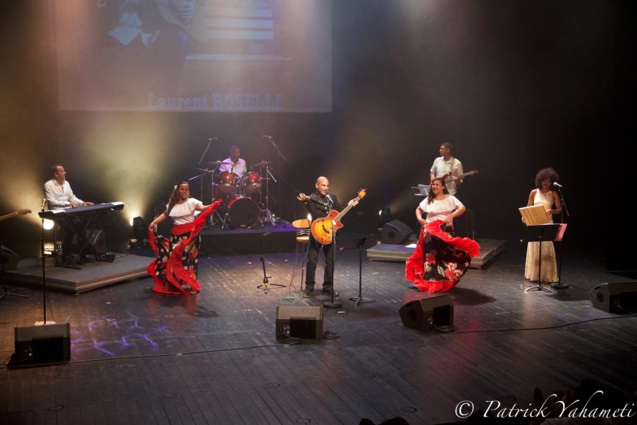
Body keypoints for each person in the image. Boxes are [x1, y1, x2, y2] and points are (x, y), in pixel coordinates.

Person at [147, 181, 222, 295]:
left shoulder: (192, 202)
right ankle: (174, 283)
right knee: (172, 259)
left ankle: (192, 284)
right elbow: (165, 215)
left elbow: (202, 208)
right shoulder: (172, 204)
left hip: (190, 236)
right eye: (182, 189)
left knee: (190, 260)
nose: (184, 192)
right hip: (176, 236)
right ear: (177, 190)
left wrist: (212, 205)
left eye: (186, 190)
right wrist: (154, 222)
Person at [405, 177, 480, 292]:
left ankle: (444, 282)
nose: (434, 186)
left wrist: (451, 216)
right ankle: (430, 282)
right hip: (430, 232)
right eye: (433, 185)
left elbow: (462, 208)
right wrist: (420, 219)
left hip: (444, 231)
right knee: (431, 258)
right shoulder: (429, 199)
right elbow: (418, 209)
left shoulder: (450, 198)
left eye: (437, 185)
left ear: (443, 187)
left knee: (445, 257)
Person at [297, 176, 356, 296]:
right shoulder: (311, 199)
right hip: (317, 232)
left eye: (327, 186)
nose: (326, 188)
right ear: (317, 185)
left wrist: (349, 205)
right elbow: (316, 214)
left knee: (330, 261)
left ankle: (328, 287)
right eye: (323, 185)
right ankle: (309, 287)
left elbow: (339, 212)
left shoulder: (332, 198)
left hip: (330, 234)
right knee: (312, 261)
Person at [43, 164, 95, 263]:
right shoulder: (48, 185)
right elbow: (52, 201)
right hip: (58, 213)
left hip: (69, 211)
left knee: (81, 229)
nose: (65, 172)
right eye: (62, 171)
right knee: (70, 231)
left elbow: (72, 197)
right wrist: (68, 203)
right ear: (56, 174)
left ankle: (82, 256)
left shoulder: (66, 183)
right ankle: (65, 256)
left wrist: (82, 202)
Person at [524, 167, 562, 285]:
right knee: (535, 248)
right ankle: (535, 275)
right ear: (540, 180)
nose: (546, 183)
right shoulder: (534, 192)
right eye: (544, 180)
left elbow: (560, 209)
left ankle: (547, 276)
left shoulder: (553, 193)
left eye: (549, 181)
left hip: (547, 222)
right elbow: (528, 207)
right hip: (535, 223)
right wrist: (525, 217)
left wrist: (552, 211)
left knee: (546, 249)